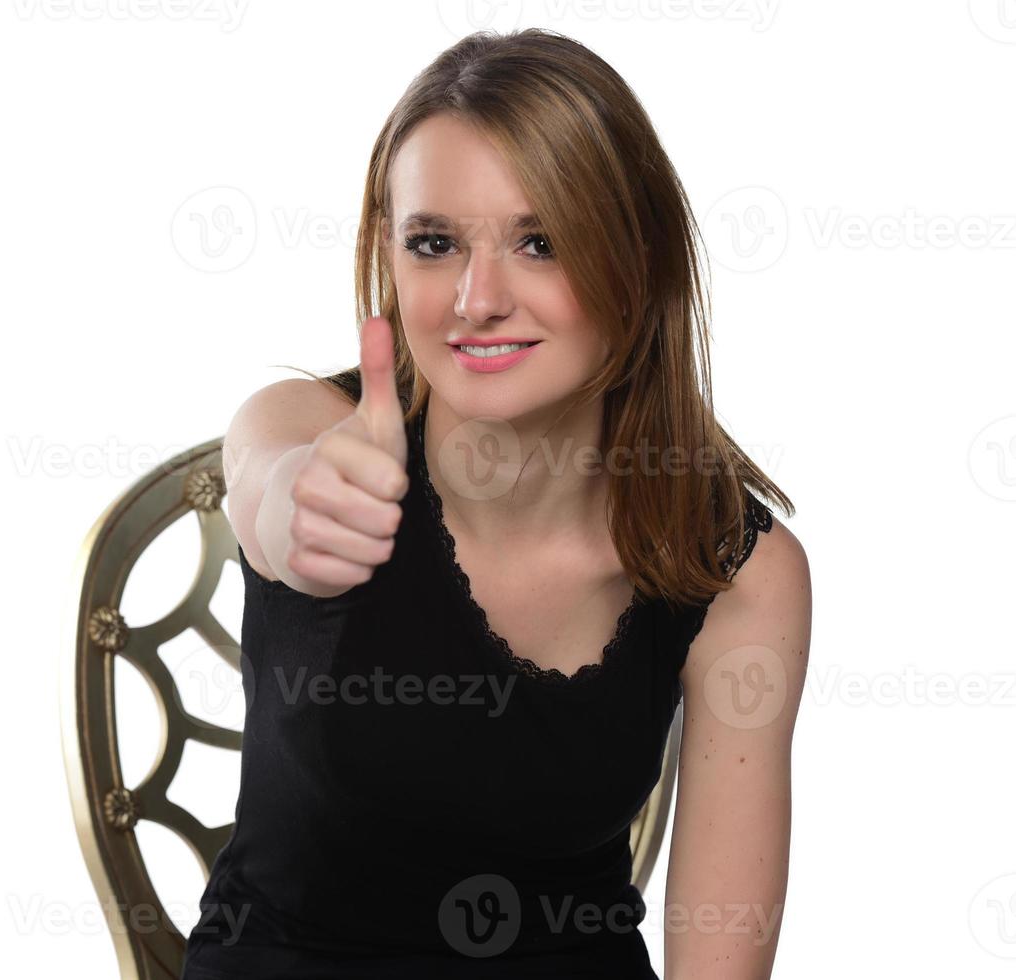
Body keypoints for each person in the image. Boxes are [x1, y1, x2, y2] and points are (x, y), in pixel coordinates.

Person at [181, 27, 812, 980]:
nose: (476, 298)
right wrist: (293, 511)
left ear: (638, 264)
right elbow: (271, 485)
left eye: (541, 242)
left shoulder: (739, 571)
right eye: (434, 244)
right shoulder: (307, 427)